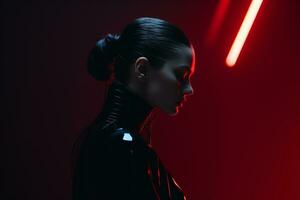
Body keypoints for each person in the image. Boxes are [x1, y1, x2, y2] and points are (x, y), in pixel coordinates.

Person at [71, 16, 196, 200]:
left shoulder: (115, 140)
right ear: (142, 69)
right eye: (180, 75)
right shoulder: (122, 146)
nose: (189, 89)